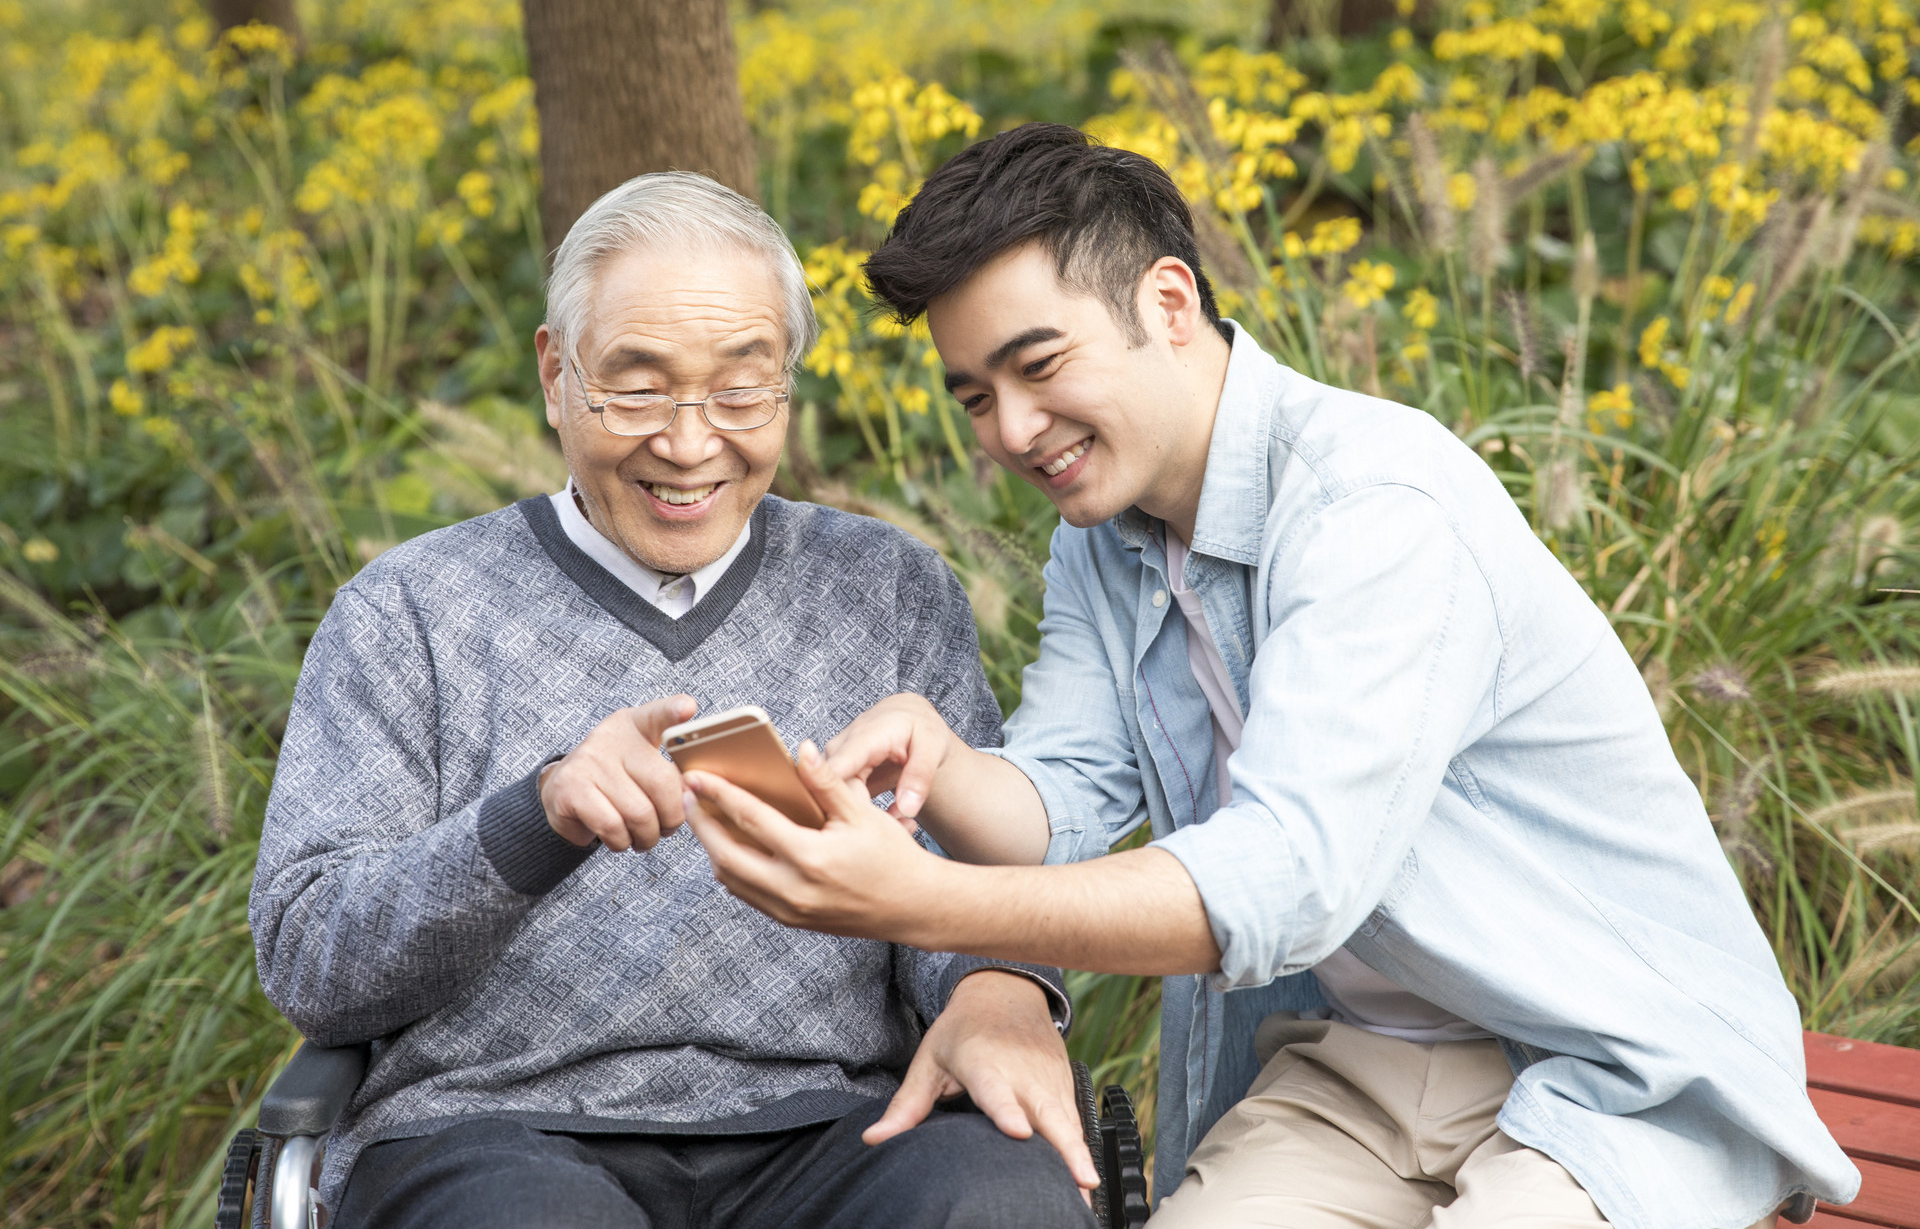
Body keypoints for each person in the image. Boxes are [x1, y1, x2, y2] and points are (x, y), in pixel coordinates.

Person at [679, 125, 1862, 1229]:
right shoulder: (1101, 539)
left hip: (1607, 1064)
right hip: (1357, 1071)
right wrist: (942, 769)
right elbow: (1066, 803)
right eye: (976, 396)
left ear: (1169, 300)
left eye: (1038, 365)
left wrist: (917, 902)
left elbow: (1286, 878)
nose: (1012, 429)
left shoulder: (1373, 508)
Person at [249, 171, 1098, 1229]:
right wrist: (539, 814)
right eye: (639, 387)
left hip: (840, 1128)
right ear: (558, 375)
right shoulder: (408, 612)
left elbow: (976, 879)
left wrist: (998, 988)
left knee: (999, 1199)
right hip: (498, 1133)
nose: (691, 443)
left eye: (742, 390)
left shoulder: (886, 587)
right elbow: (311, 962)